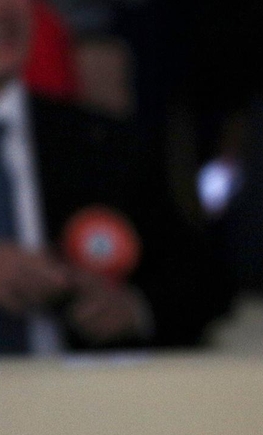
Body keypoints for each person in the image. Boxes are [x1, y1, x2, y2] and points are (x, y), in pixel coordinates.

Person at [0, 0, 234, 356]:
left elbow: (201, 278)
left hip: (80, 383)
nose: (6, 10)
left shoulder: (101, 142)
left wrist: (132, 308)